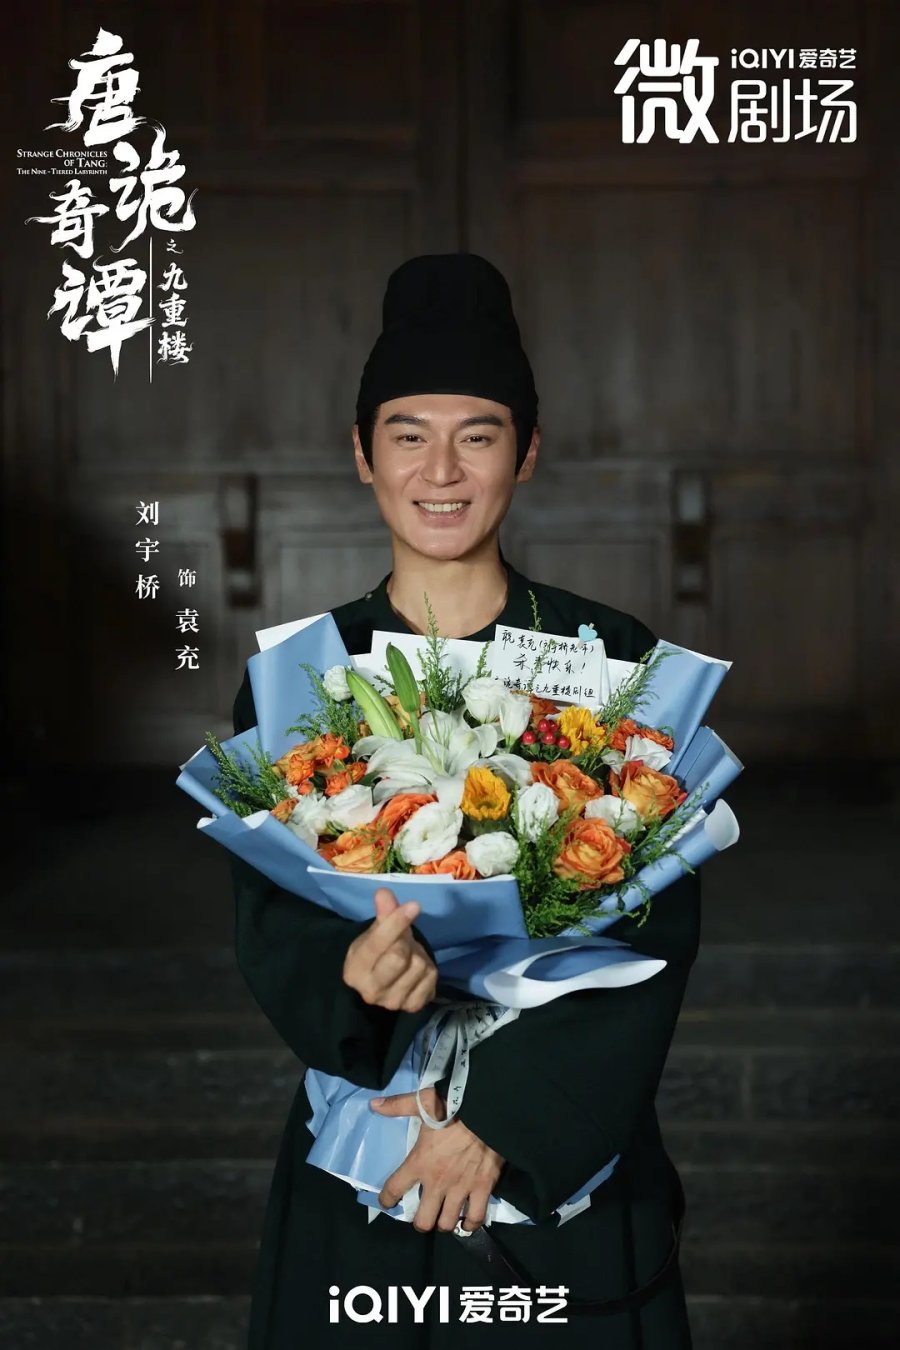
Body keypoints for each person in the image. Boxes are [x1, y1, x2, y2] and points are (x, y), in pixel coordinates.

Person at [229, 253, 700, 1348]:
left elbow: (655, 919)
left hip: (556, 1146)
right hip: (372, 1133)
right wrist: (351, 973)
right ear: (362, 453)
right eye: (408, 435)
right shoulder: (303, 675)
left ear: (525, 451)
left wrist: (500, 1121)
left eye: (478, 436)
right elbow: (268, 915)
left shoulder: (605, 657)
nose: (441, 470)